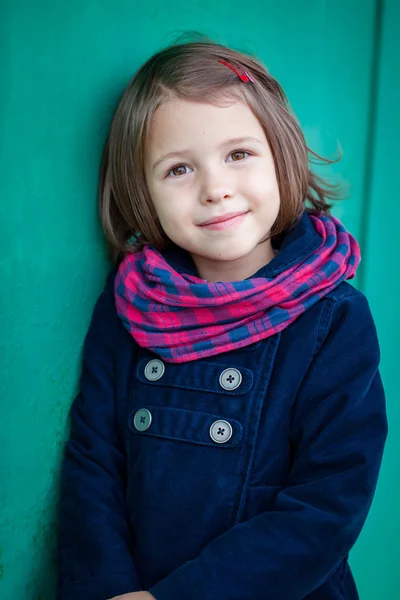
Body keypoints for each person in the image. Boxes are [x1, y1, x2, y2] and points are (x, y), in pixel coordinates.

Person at [56, 38, 388, 600]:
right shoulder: (133, 306)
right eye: (179, 168)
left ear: (280, 155)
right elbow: (94, 463)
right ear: (144, 192)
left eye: (238, 154)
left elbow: (328, 501)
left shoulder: (334, 319)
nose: (216, 189)